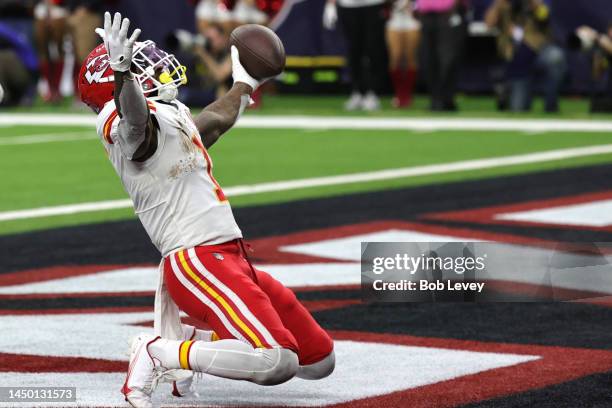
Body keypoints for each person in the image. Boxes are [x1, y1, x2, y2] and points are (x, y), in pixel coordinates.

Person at [78, 12, 334, 407]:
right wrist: (124, 75)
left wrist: (245, 85)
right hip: (196, 259)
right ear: (111, 78)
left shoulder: (171, 113)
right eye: (139, 60)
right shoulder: (120, 121)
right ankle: (157, 351)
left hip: (231, 257)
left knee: (318, 361)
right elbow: (136, 126)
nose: (155, 64)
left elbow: (212, 122)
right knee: (276, 361)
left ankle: (189, 344)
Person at [485, 0, 566, 112]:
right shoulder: (504, 6)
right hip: (516, 59)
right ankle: (509, 95)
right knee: (518, 108)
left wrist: (534, 4)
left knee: (556, 57)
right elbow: (489, 23)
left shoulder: (536, 4)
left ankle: (551, 105)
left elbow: (544, 17)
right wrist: (498, 4)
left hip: (539, 51)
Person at [323, 0, 387, 111]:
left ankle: (372, 93)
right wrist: (330, 4)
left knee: (373, 49)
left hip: (373, 4)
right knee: (353, 50)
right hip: (348, 5)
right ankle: (356, 92)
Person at [416, 0, 467, 111]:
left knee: (448, 58)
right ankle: (435, 99)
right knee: (428, 58)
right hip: (426, 14)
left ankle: (447, 98)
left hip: (449, 13)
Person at [33, 0, 69, 102]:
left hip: (58, 11)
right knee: (43, 52)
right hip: (40, 11)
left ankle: (57, 89)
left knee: (58, 51)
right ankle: (49, 89)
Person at [386, 0, 420, 108]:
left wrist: (412, 5)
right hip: (394, 22)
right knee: (395, 58)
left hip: (411, 22)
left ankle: (407, 95)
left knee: (410, 59)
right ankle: (398, 94)